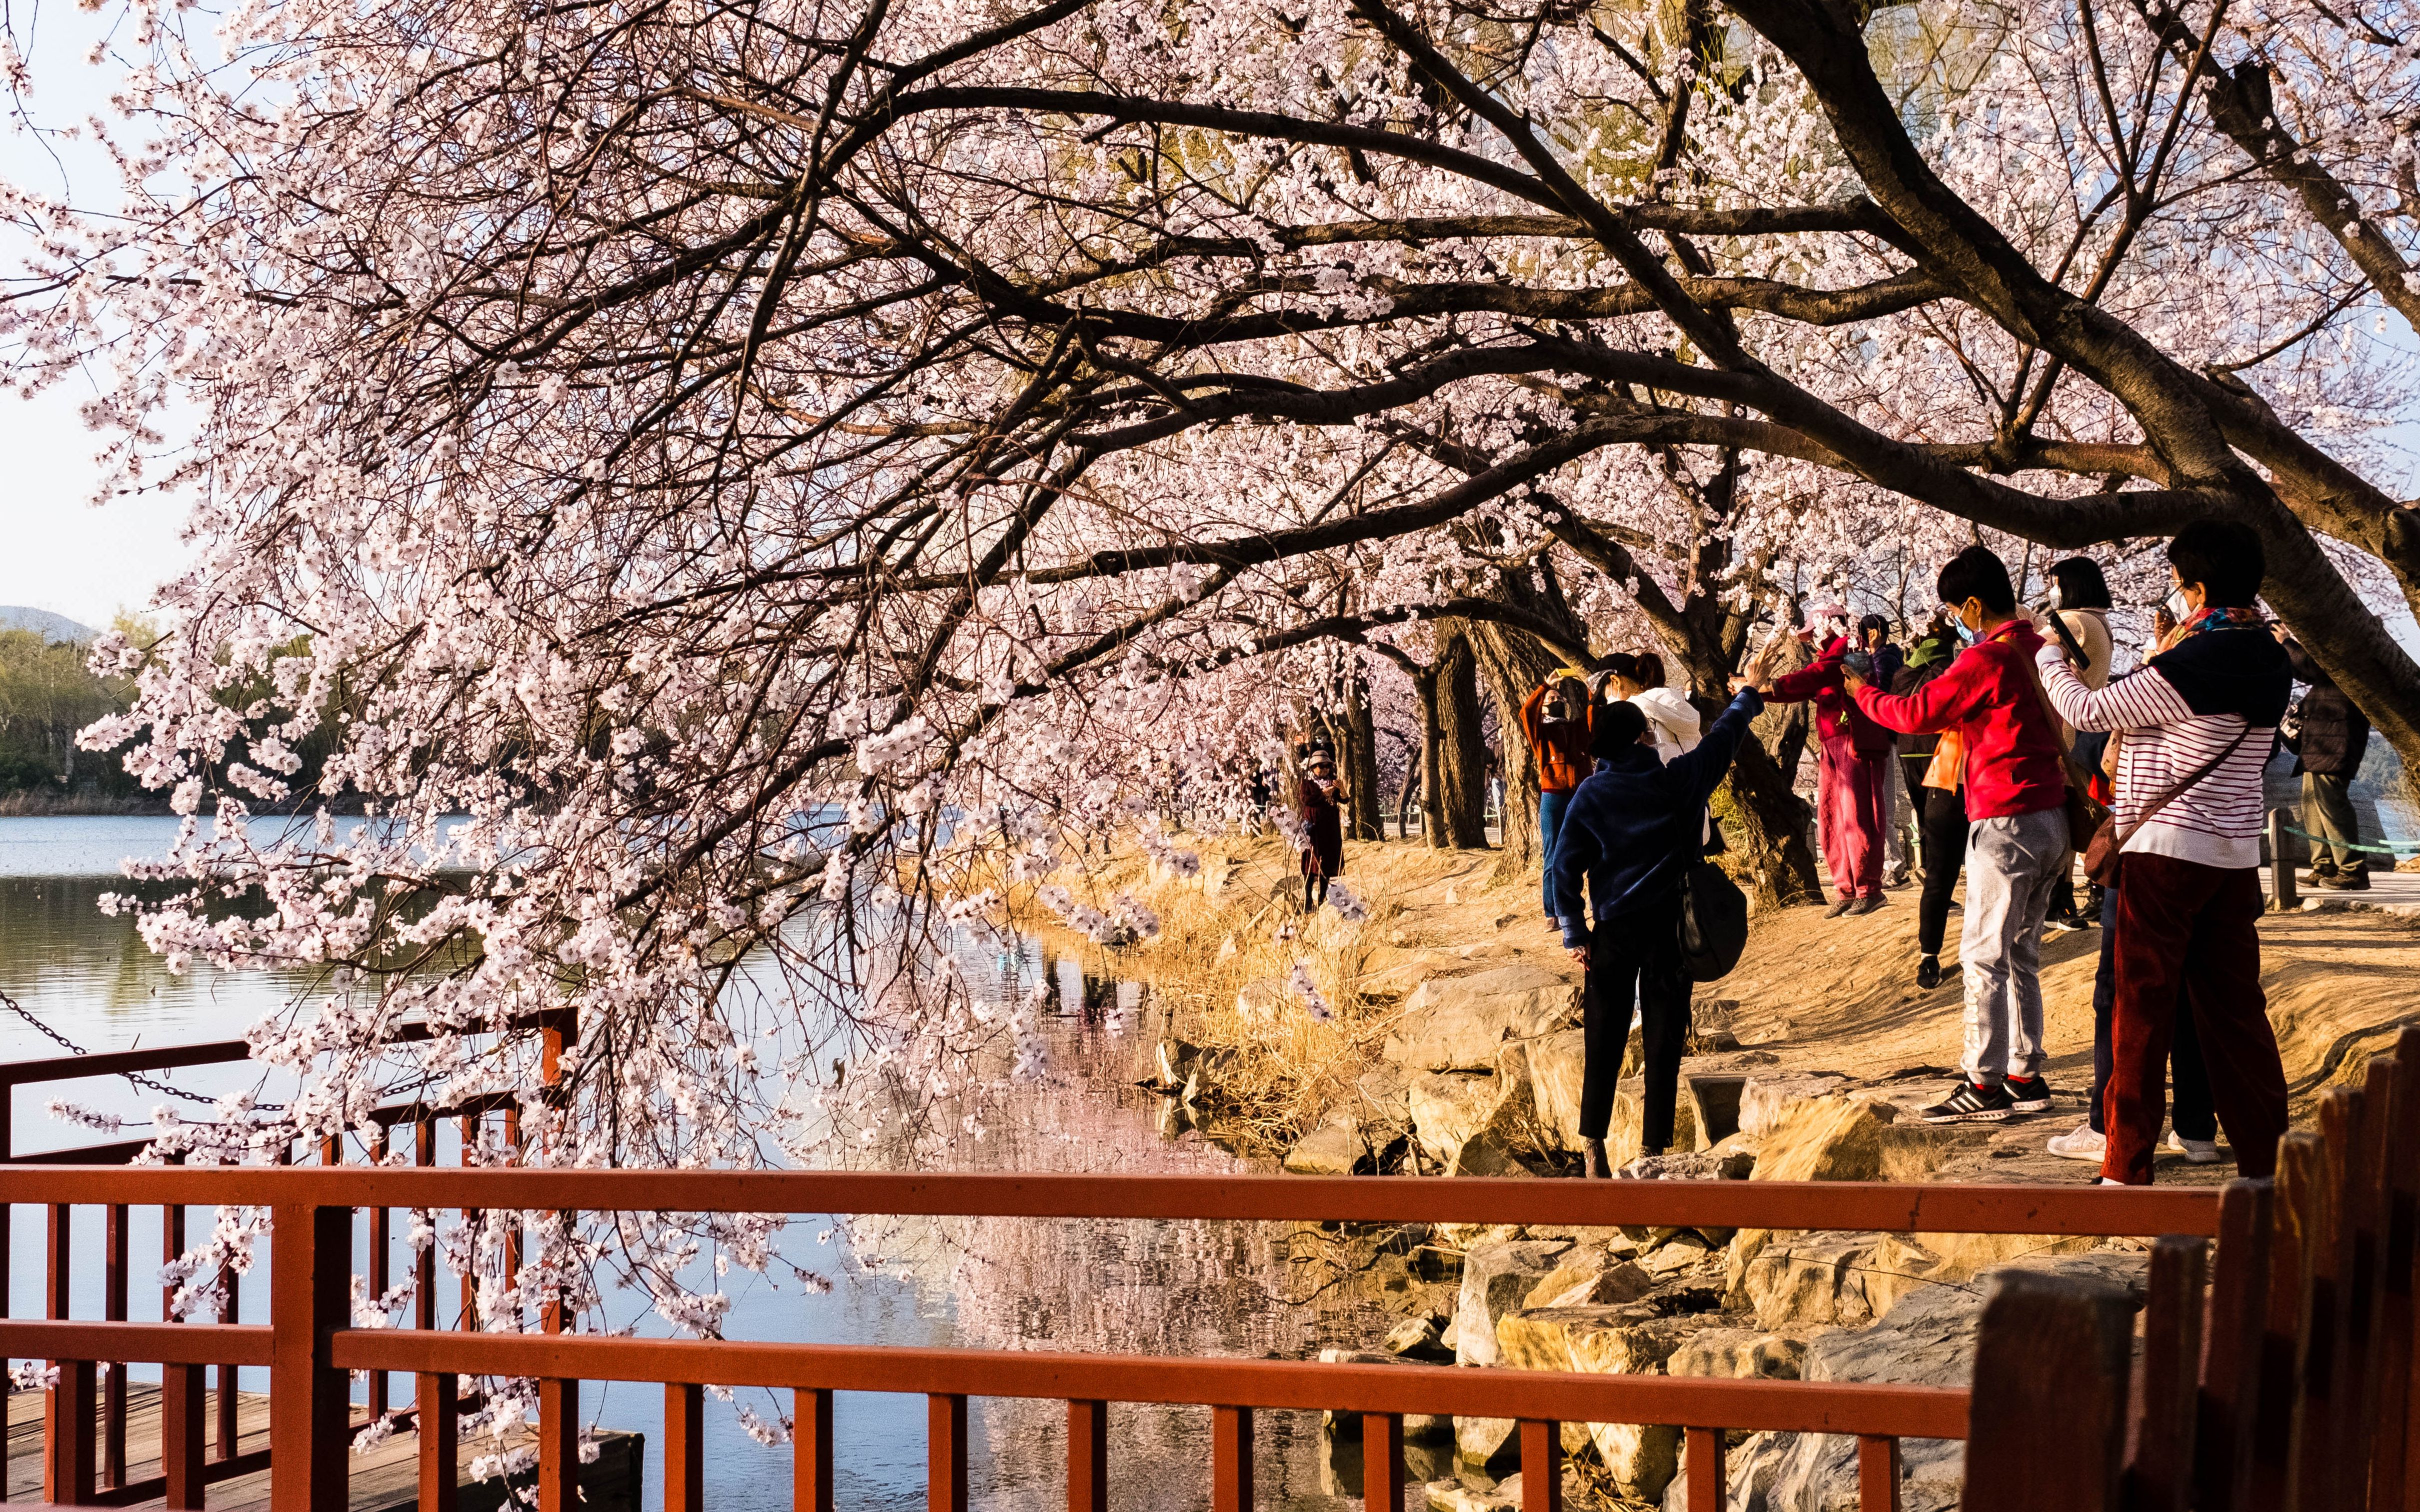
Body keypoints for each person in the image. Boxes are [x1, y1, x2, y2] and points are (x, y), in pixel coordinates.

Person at [2034, 520, 2291, 1186]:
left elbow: (2090, 711)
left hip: (2164, 855)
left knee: (2140, 1007)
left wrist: (2048, 661)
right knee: (2234, 1014)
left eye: (2177, 585)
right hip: (2232, 857)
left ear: (2197, 587)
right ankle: (2267, 1164)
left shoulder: (2194, 660)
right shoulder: (2266, 654)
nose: (2173, 596)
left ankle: (2124, 1165)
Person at [1842, 546, 2070, 1124]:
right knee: (2021, 951)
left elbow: (1917, 712)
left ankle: (1983, 1081)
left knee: (1982, 954)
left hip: (2005, 819)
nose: (1957, 621)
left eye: (1956, 610)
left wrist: (1861, 693)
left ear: (1973, 604)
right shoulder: (2040, 648)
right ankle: (2025, 1072)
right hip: (2051, 817)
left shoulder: (1987, 659)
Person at [1551, 688, 1766, 1178]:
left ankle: (1592, 1146)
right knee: (1664, 1040)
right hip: (1671, 929)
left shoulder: (1592, 794)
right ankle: (1654, 1151)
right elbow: (1724, 739)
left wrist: (1574, 933)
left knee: (1603, 1037)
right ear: (1646, 737)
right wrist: (1747, 698)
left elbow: (1563, 869)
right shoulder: (1681, 780)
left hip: (1613, 932)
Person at [1763, 606, 1896, 916]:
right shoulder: (1828, 658)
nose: (1812, 640)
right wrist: (1762, 693)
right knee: (1831, 818)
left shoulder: (1849, 650)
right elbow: (1812, 684)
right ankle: (1846, 888)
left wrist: (1770, 687)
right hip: (1831, 742)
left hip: (1853, 740)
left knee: (1858, 815)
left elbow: (1820, 676)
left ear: (1831, 627)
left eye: (1815, 632)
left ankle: (1868, 889)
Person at [1895, 634, 1969, 990]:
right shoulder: (1956, 669)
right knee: (1949, 864)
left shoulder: (1902, 674)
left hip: (1918, 758)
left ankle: (1930, 956)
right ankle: (1931, 954)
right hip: (1952, 765)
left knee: (1939, 862)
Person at [2276, 630, 2374, 890]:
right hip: (2320, 744)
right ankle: (2323, 865)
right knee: (2312, 806)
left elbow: (2310, 665)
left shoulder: (2352, 658)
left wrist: (2286, 642)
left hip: (2335, 742)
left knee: (2331, 805)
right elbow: (2305, 671)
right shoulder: (2337, 665)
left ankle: (2353, 869)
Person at [1520, 672, 1596, 927]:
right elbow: (1526, 714)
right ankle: (1553, 912)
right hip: (1554, 797)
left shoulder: (1577, 728)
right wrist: (1545, 686)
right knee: (1552, 854)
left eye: (1560, 697)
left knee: (1595, 849)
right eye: (1552, 698)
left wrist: (1590, 689)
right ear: (1543, 707)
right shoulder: (1541, 733)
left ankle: (1598, 903)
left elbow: (1594, 715)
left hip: (1582, 795)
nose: (1557, 699)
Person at [1860, 614, 1913, 888]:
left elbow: (1880, 690)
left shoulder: (1885, 658)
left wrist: (1859, 684)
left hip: (1884, 735)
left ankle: (1896, 868)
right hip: (1882, 736)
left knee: (1883, 805)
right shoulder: (1880, 657)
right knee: (1881, 804)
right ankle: (1894, 867)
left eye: (1868, 631)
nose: (1864, 636)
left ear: (1878, 631)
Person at [1296, 750, 1347, 910]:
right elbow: (1306, 800)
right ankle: (1308, 899)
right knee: (1310, 865)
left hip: (1330, 828)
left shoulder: (1333, 781)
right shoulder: (1307, 783)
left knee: (1327, 863)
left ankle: (1322, 897)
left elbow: (1344, 800)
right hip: (1313, 828)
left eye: (1327, 766)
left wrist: (1342, 788)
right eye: (1320, 766)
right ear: (1312, 767)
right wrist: (1325, 792)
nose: (1324, 769)